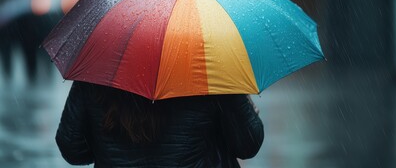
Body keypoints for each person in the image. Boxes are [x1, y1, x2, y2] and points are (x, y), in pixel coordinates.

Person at [56, 81, 264, 167]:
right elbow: (247, 145)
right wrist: (243, 104)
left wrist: (108, 149)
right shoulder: (212, 66)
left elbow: (72, 148)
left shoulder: (95, 71)